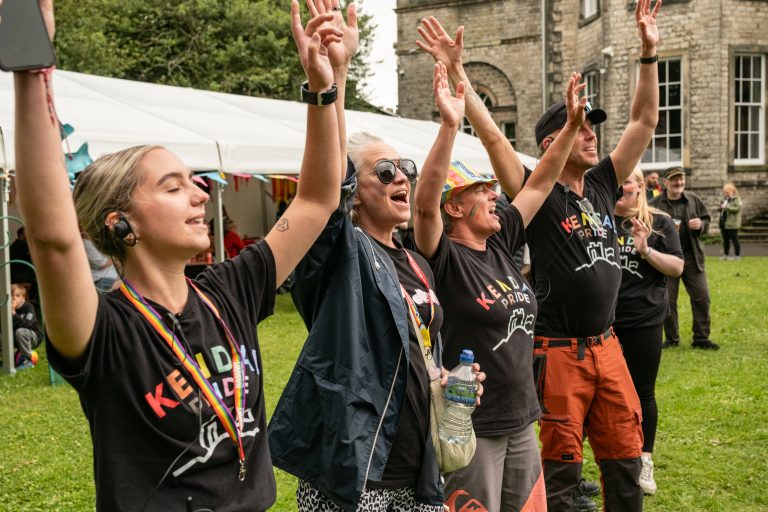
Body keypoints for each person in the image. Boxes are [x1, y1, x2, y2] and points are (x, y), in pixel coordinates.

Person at [14, 1, 344, 509]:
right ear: (120, 223)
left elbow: (318, 199)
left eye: (194, 181)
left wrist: (323, 89)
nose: (200, 194)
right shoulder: (105, 332)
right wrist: (32, 66)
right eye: (173, 187)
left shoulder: (229, 290)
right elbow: (53, 239)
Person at [268, 4, 484, 511]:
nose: (401, 176)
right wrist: (337, 74)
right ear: (355, 195)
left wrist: (449, 380)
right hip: (356, 472)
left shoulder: (416, 263)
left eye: (403, 166)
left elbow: (416, 352)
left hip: (417, 469)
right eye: (384, 172)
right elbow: (327, 185)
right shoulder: (339, 252)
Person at [415, 18, 585, 511]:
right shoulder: (443, 257)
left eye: (493, 189)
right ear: (454, 207)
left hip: (522, 416)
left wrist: (571, 129)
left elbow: (539, 183)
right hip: (473, 423)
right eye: (481, 191)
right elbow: (423, 207)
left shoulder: (501, 241)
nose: (495, 195)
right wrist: (450, 125)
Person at [526, 1, 662, 510]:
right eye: (581, 127)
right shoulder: (537, 195)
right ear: (553, 142)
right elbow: (496, 143)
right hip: (559, 352)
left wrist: (648, 53)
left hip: (608, 346)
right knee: (562, 472)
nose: (592, 135)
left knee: (626, 458)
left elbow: (644, 120)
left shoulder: (603, 182)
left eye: (591, 127)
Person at [614, 168, 683, 496]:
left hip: (643, 320)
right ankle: (612, 460)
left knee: (643, 392)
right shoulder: (599, 221)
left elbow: (677, 267)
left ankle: (644, 459)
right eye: (617, 181)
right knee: (604, 396)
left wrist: (646, 250)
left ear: (641, 186)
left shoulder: (659, 222)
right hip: (604, 322)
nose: (621, 187)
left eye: (627, 181)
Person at [651, 166, 719, 350]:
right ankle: (671, 338)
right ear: (665, 182)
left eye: (681, 179)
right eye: (674, 179)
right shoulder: (655, 204)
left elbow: (706, 219)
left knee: (702, 297)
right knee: (668, 300)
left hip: (692, 257)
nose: (678, 182)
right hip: (668, 259)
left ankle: (701, 338)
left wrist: (700, 225)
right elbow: (647, 226)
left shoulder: (693, 199)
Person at [11, 283, 43, 369]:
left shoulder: (28, 307)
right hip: (18, 337)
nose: (14, 298)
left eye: (17, 296)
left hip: (33, 337)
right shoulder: (8, 310)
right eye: (11, 296)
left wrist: (14, 314)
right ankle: (7, 360)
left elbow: (28, 324)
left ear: (23, 298)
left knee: (20, 331)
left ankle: (27, 360)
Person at [719, 182, 743, 260]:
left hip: (732, 223)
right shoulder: (724, 199)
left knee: (734, 239)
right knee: (725, 240)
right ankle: (726, 255)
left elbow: (737, 209)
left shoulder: (737, 199)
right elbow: (722, 209)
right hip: (724, 222)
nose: (726, 194)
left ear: (732, 191)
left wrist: (727, 207)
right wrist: (720, 207)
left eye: (727, 192)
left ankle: (737, 255)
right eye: (725, 193)